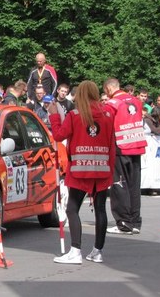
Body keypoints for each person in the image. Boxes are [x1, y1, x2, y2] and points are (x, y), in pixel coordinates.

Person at [47, 80, 115, 264]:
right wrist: (111, 170)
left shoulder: (75, 115)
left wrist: (53, 116)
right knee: (100, 210)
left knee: (72, 209)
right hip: (102, 170)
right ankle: (97, 251)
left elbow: (59, 135)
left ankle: (75, 250)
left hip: (79, 169)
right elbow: (112, 145)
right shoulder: (108, 115)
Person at [103, 78, 147, 235]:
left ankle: (123, 223)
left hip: (120, 147)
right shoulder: (136, 101)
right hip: (136, 145)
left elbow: (106, 125)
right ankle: (135, 222)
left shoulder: (112, 104)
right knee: (134, 186)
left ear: (108, 89)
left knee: (119, 184)